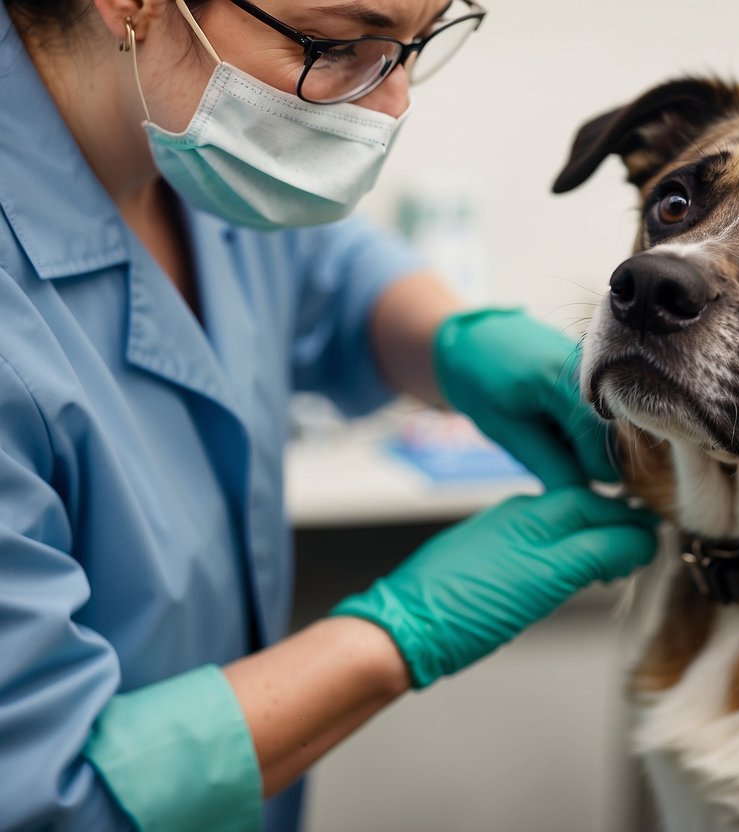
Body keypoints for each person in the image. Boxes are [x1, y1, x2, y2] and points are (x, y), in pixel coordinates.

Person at [0, 0, 659, 829]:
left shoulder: (188, 130)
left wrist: (454, 341)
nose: (393, 107)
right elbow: (42, 794)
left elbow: (318, 265)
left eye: (417, 44)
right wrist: (400, 633)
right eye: (338, 46)